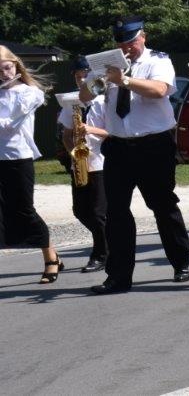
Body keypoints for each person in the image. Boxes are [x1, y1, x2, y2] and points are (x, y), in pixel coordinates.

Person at [87, 17, 189, 294]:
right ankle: (119, 276)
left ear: (143, 37)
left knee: (162, 205)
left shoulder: (158, 60)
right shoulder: (108, 64)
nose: (127, 47)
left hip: (153, 145)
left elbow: (159, 90)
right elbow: (87, 95)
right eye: (121, 42)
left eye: (131, 41)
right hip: (118, 146)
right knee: (116, 211)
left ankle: (180, 261)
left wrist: (124, 80)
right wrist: (96, 77)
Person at [0, 46, 62, 284]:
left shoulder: (30, 93)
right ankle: (53, 254)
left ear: (16, 65)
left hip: (18, 157)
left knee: (25, 210)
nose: (5, 74)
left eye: (8, 68)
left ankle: (50, 258)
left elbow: (10, 124)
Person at [57, 55, 107, 272]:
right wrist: (74, 154)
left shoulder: (104, 100)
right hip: (80, 162)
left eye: (85, 76)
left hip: (102, 162)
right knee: (80, 210)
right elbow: (66, 135)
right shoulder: (72, 101)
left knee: (98, 212)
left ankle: (101, 254)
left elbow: (116, 132)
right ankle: (107, 245)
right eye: (78, 77)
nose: (81, 81)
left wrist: (90, 129)